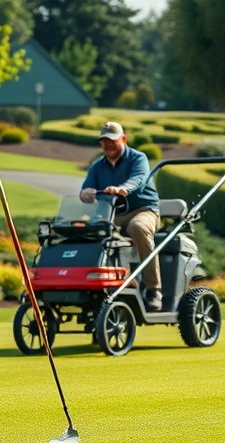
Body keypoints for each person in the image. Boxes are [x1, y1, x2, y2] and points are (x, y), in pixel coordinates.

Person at [79, 122, 163, 312]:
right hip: (113, 215)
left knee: (138, 228)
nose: (108, 145)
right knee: (90, 231)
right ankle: (98, 285)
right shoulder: (97, 167)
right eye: (104, 141)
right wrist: (85, 193)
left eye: (112, 141)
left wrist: (122, 188)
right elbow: (86, 188)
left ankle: (153, 289)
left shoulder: (138, 158)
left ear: (123, 139)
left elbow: (139, 179)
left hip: (143, 210)